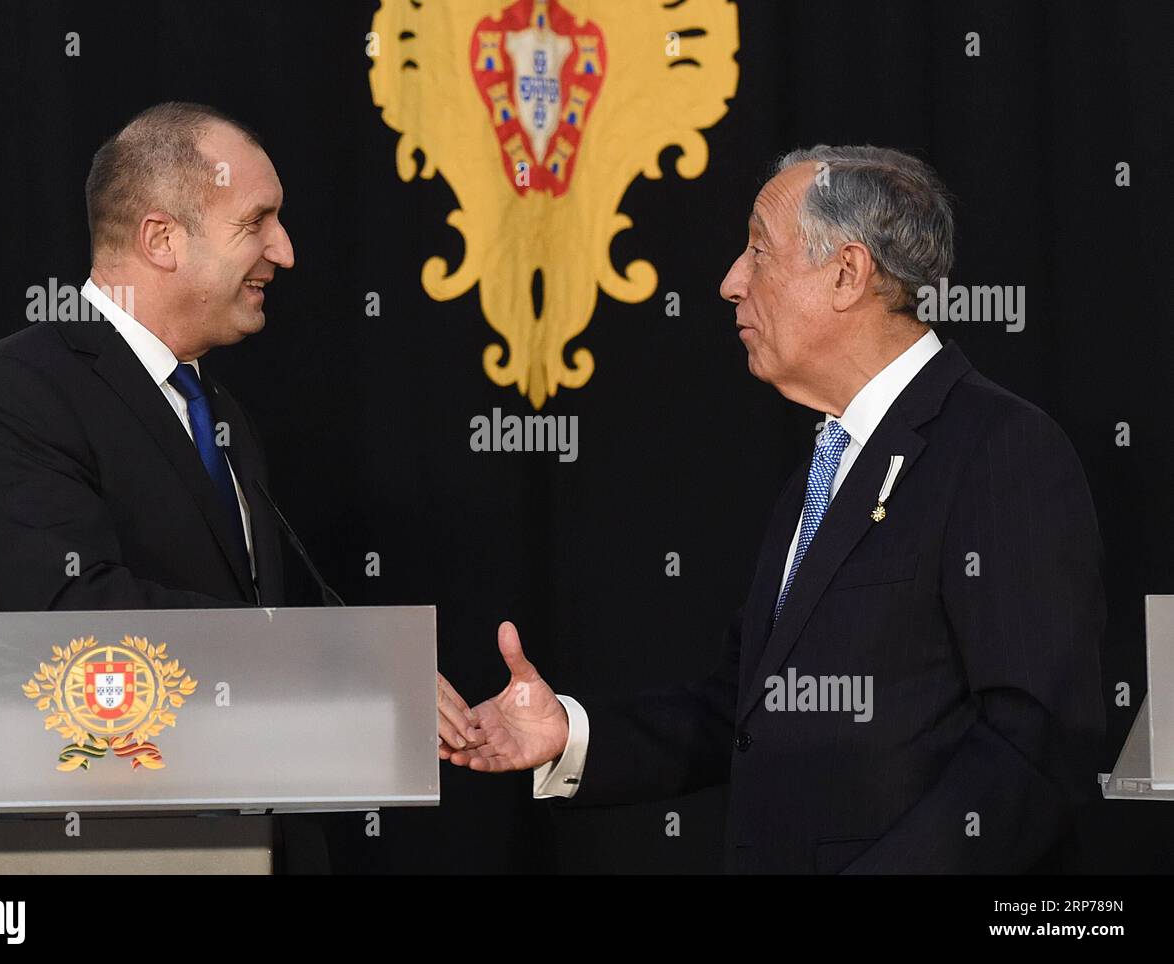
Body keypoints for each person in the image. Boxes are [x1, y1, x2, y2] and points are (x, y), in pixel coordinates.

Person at [437, 145, 1106, 874]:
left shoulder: (1001, 449)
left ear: (848, 273)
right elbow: (742, 711)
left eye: (759, 251)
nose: (730, 282)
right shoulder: (821, 471)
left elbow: (1032, 744)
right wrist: (568, 734)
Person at [0, 101, 480, 872]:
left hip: (256, 841)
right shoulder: (14, 392)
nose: (284, 252)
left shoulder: (213, 408)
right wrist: (330, 658)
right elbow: (70, 623)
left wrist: (377, 673)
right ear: (162, 239)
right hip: (108, 850)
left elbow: (249, 604)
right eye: (257, 221)